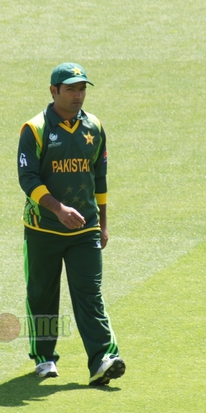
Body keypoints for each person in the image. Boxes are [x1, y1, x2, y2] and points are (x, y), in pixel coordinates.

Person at [17, 62, 125, 386]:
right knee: (42, 295)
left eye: (82, 89)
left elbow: (100, 178)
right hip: (43, 229)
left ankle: (102, 359)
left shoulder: (94, 127)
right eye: (71, 89)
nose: (78, 95)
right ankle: (45, 358)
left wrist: (102, 224)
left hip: (85, 229)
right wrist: (59, 208)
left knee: (90, 294)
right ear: (54, 91)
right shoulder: (34, 129)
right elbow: (28, 178)